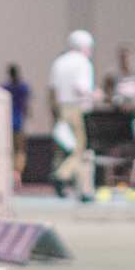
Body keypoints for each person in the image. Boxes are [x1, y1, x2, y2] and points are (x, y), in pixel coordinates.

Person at [49, 29, 97, 201]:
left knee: (64, 149)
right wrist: (96, 95)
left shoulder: (59, 62)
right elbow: (81, 88)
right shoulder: (83, 62)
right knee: (79, 149)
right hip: (76, 109)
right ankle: (63, 175)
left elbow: (52, 90)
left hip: (61, 108)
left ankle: (81, 189)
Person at [3, 64, 32, 181]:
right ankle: (16, 172)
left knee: (12, 149)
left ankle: (13, 172)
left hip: (9, 122)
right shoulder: (22, 87)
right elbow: (26, 106)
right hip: (17, 121)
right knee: (19, 149)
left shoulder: (6, 88)